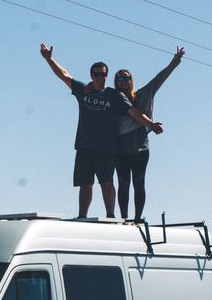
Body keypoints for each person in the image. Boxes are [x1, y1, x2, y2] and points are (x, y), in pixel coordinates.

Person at [40, 43, 163, 218]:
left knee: (106, 182)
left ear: (107, 76)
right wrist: (49, 59)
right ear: (91, 75)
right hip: (84, 146)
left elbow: (134, 113)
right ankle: (82, 215)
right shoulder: (84, 90)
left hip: (106, 148)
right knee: (85, 183)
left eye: (103, 74)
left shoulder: (115, 96)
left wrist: (151, 124)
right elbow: (64, 76)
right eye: (97, 74)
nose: (100, 77)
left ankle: (111, 215)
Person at [114, 47, 184, 220]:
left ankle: (137, 218)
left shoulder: (143, 94)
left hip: (140, 148)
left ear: (131, 81)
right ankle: (124, 218)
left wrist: (175, 60)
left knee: (139, 182)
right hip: (120, 149)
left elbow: (160, 78)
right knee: (123, 184)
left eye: (126, 78)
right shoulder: (112, 98)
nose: (123, 81)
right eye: (119, 79)